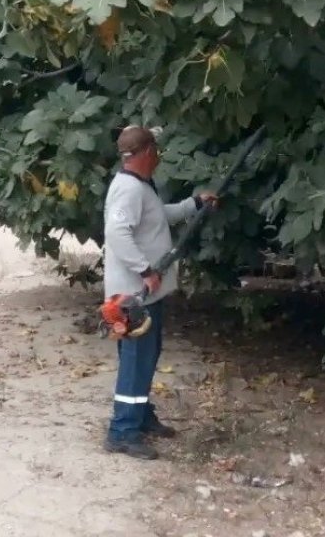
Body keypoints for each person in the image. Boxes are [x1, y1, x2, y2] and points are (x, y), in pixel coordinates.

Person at [102, 125, 217, 460]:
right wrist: (145, 270)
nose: (159, 155)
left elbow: (157, 217)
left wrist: (194, 204)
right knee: (136, 362)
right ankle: (122, 431)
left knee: (147, 357)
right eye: (156, 149)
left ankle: (141, 417)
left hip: (145, 295)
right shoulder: (128, 190)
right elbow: (117, 232)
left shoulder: (141, 187)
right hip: (132, 297)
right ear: (147, 152)